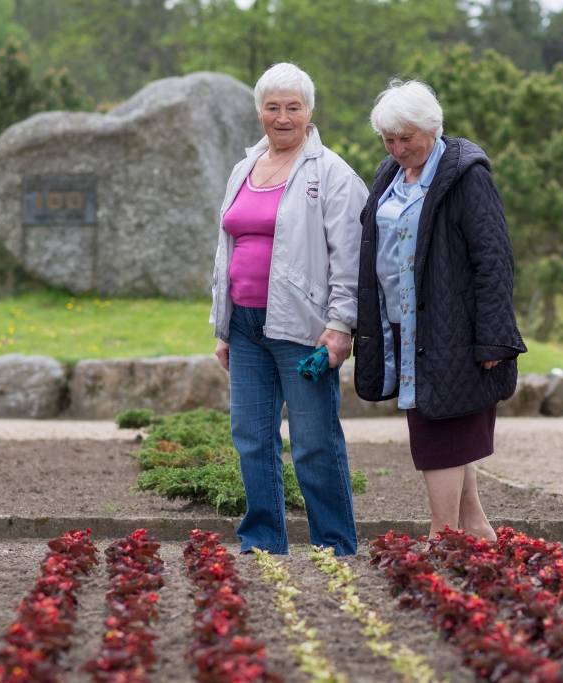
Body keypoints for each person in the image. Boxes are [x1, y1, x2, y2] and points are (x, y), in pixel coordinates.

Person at [354, 80, 527, 542]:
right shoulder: (389, 174)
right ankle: (474, 528)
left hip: (451, 325)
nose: (397, 148)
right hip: (401, 322)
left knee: (438, 428)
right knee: (445, 421)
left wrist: (493, 336)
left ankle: (441, 535)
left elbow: (493, 258)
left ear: (432, 128)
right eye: (388, 139)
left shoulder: (467, 175)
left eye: (406, 138)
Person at [210, 63, 368, 556]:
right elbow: (226, 249)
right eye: (273, 107)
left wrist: (341, 325)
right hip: (245, 324)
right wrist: (222, 327)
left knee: (314, 439)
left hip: (304, 328)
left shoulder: (332, 173)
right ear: (260, 111)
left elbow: (350, 255)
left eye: (292, 107)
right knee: (251, 438)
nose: (282, 117)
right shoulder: (244, 168)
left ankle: (335, 542)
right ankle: (261, 540)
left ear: (309, 112)